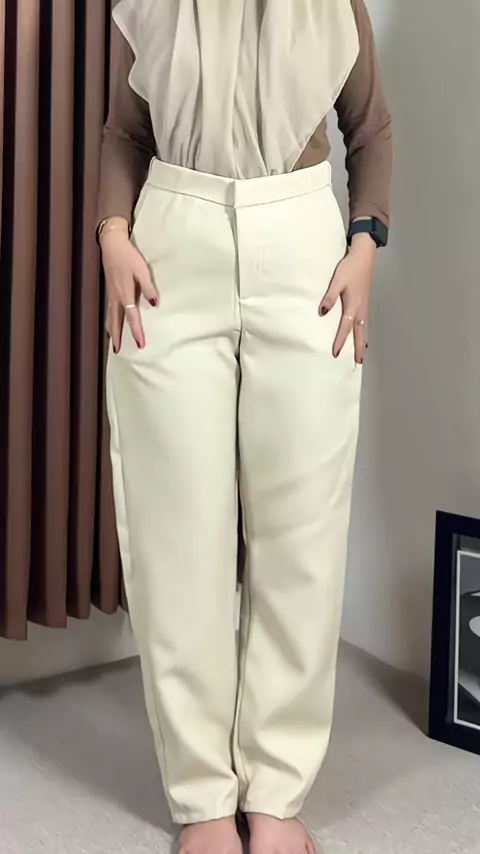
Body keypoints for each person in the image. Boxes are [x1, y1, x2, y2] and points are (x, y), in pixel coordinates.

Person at [97, 2, 393, 853]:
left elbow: (371, 129)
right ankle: (201, 800)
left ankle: (276, 792)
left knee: (301, 529)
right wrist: (112, 234)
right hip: (170, 244)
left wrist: (365, 244)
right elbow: (124, 131)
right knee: (176, 530)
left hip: (304, 248)